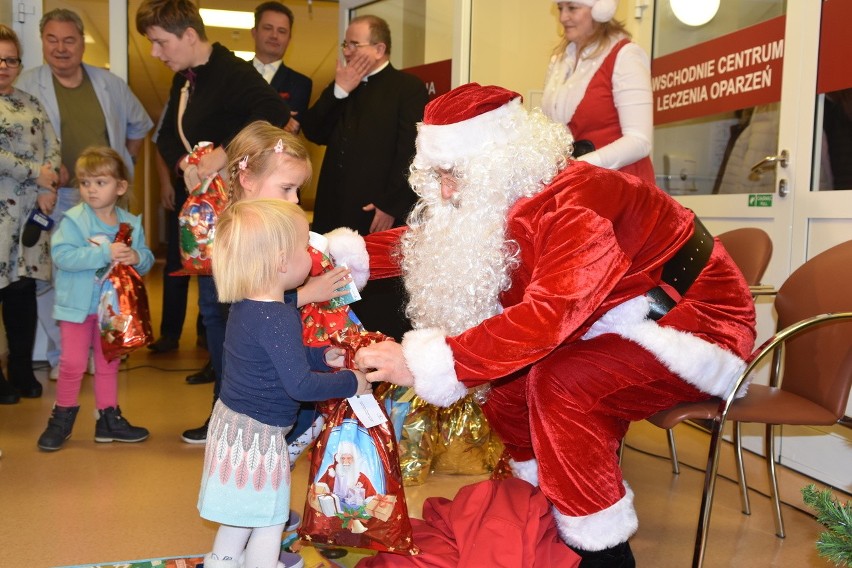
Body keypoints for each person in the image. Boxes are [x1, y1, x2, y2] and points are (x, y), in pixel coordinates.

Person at [354, 83, 757, 567]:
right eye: (437, 175)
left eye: (452, 174)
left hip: (688, 324)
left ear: (496, 161)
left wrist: (425, 362)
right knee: (506, 387)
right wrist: (337, 257)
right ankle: (547, 505)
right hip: (603, 317)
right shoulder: (508, 193)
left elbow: (548, 317)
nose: (443, 191)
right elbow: (427, 240)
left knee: (563, 383)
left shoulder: (583, 199)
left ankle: (602, 549)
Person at [135, 0, 291, 444]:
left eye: (160, 42)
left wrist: (224, 152)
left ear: (188, 35)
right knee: (214, 313)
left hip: (236, 216)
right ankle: (226, 412)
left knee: (230, 314)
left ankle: (234, 413)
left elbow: (274, 115)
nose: (155, 53)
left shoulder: (230, 71)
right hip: (208, 219)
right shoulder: (185, 80)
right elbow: (166, 135)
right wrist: (185, 161)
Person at [197, 198, 371, 568]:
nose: (310, 253)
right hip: (259, 439)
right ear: (281, 262)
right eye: (303, 246)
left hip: (234, 427)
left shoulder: (249, 305)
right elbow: (300, 387)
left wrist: (320, 356)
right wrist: (349, 381)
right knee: (269, 517)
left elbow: (277, 360)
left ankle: (221, 560)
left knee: (241, 510)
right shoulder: (278, 318)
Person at [15, 8, 153, 379]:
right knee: (53, 276)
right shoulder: (27, 85)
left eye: (69, 39)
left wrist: (122, 166)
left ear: (81, 42)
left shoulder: (109, 84)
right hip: (53, 197)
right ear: (42, 43)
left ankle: (107, 346)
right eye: (52, 39)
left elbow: (139, 126)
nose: (61, 48)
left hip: (104, 198)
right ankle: (64, 357)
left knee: (111, 272)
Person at [36, 146, 154, 452]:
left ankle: (108, 420)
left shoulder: (130, 224)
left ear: (120, 187)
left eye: (100, 183)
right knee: (72, 363)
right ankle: (61, 418)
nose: (91, 190)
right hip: (76, 308)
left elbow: (147, 260)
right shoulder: (74, 220)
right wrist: (104, 252)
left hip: (112, 312)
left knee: (107, 363)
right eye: (85, 183)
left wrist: (136, 255)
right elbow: (63, 256)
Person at [301, 14, 428, 236]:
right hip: (331, 208)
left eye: (354, 44)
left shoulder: (407, 88)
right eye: (345, 44)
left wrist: (390, 204)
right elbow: (313, 131)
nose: (346, 51)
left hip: (375, 212)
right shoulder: (343, 83)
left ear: (379, 49)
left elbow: (412, 151)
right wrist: (339, 91)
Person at [0, 24, 61, 404]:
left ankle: (22, 368)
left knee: (22, 293)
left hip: (28, 219)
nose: (4, 66)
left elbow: (52, 147)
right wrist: (34, 173)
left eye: (10, 59)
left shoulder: (30, 102)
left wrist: (48, 185)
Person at [541, 0, 654, 184]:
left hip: (622, 186)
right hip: (580, 184)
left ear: (601, 10)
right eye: (560, 8)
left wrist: (580, 165)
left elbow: (639, 141)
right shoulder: (559, 62)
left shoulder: (625, 56)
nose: (563, 17)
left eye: (572, 8)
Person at [252, 1, 312, 133]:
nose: (274, 35)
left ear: (289, 39)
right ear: (254, 32)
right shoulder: (233, 75)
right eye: (268, 28)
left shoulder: (301, 84)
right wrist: (279, 117)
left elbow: (290, 130)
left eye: (282, 31)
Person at [317, 441, 377, 509]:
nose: (345, 461)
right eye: (343, 458)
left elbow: (372, 498)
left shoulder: (362, 478)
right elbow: (319, 488)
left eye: (349, 458)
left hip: (354, 514)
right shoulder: (331, 472)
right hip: (332, 510)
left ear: (354, 460)